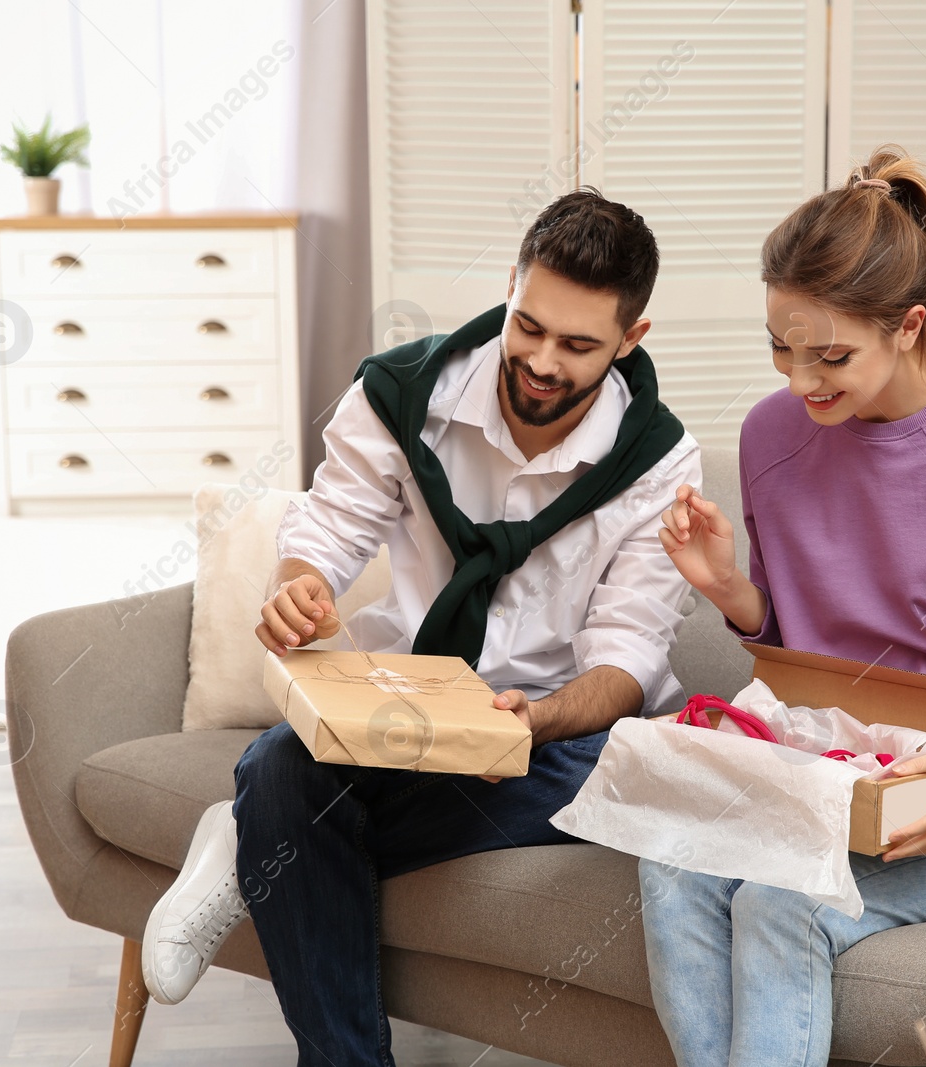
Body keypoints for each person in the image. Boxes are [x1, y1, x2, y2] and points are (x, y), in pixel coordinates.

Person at [140, 188, 702, 1067]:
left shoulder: (660, 460)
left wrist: (533, 721)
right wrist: (300, 587)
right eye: (530, 325)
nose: (543, 361)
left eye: (580, 344)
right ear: (514, 284)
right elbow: (326, 532)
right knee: (285, 764)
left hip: (555, 732)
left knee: (633, 770)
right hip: (401, 707)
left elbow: (628, 655)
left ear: (632, 339)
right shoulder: (403, 395)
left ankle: (253, 837)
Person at [640, 147, 926, 1067]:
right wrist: (730, 591)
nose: (801, 378)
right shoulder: (774, 434)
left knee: (783, 903)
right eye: (781, 345)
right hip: (838, 771)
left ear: (909, 325)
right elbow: (797, 653)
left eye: (831, 355)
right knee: (672, 866)